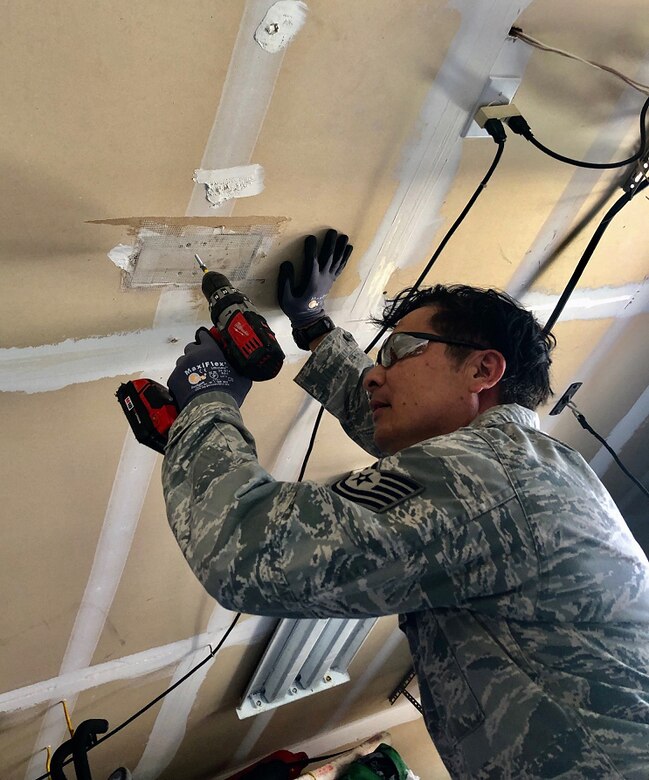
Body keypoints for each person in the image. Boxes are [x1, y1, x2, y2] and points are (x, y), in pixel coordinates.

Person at [163, 230, 649, 779]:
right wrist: (315, 328)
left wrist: (205, 404)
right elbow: (399, 423)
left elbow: (247, 551)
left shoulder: (491, 476)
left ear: (483, 370)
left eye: (397, 353)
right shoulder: (523, 465)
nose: (376, 371)